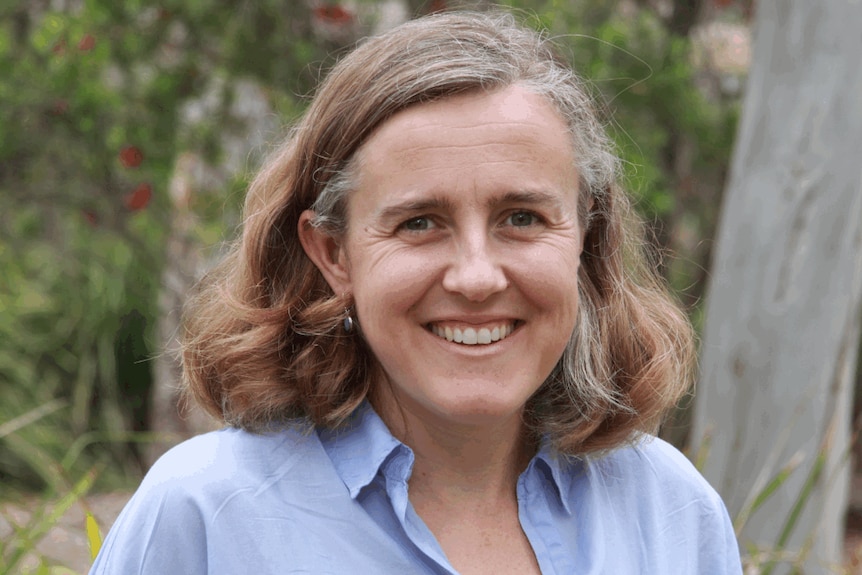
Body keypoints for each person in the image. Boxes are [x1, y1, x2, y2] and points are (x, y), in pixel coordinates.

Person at [90, 10, 742, 574]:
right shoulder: (206, 514)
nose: (477, 276)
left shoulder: (671, 511)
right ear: (334, 253)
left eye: (522, 217)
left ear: (584, 234)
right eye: (419, 223)